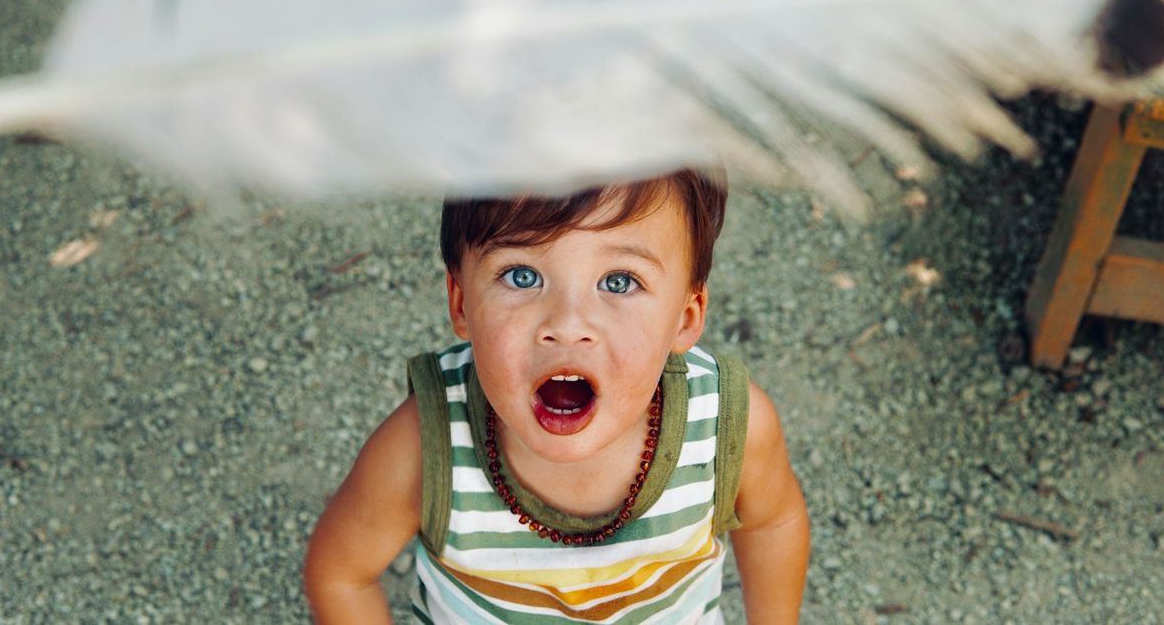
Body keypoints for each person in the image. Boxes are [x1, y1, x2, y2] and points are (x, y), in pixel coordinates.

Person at [303, 168, 810, 623]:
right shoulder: (423, 448)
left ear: (686, 317)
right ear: (461, 303)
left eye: (618, 281)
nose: (567, 326)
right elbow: (341, 572)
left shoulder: (725, 427)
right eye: (523, 276)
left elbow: (773, 522)